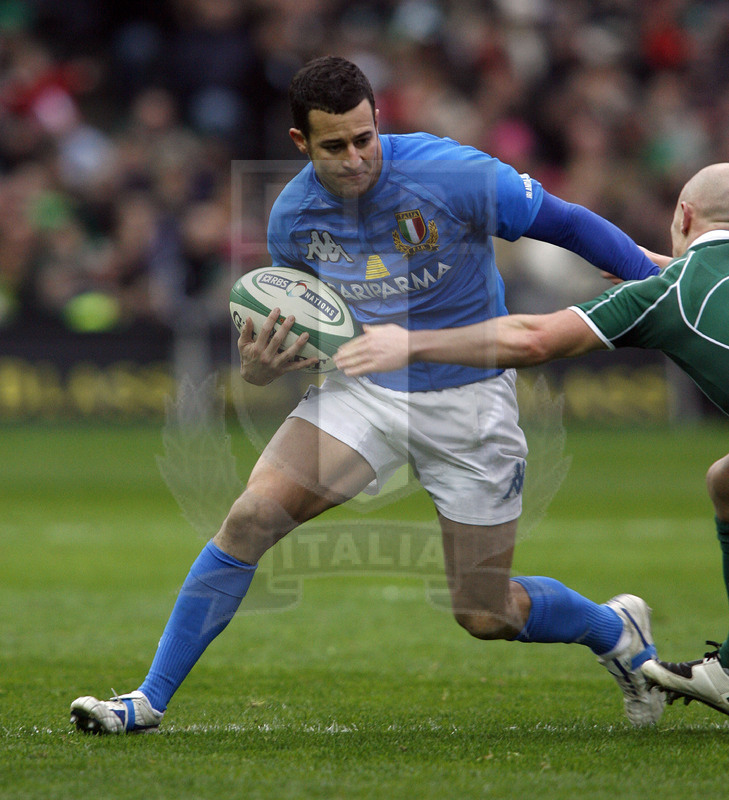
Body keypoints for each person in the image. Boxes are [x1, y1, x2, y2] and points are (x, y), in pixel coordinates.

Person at [70, 55, 665, 734]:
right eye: (334, 146)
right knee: (248, 520)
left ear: (377, 121)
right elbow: (295, 330)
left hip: (469, 400)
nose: (355, 158)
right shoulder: (292, 218)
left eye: (364, 138)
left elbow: (570, 224)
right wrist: (262, 367)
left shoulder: (454, 173)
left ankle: (611, 629)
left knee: (483, 613)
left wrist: (656, 282)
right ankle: (146, 702)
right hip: (365, 393)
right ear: (300, 143)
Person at [335, 161, 729, 718]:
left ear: (683, 217)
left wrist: (413, 343)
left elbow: (534, 337)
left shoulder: (674, 292)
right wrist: (665, 269)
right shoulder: (682, 280)